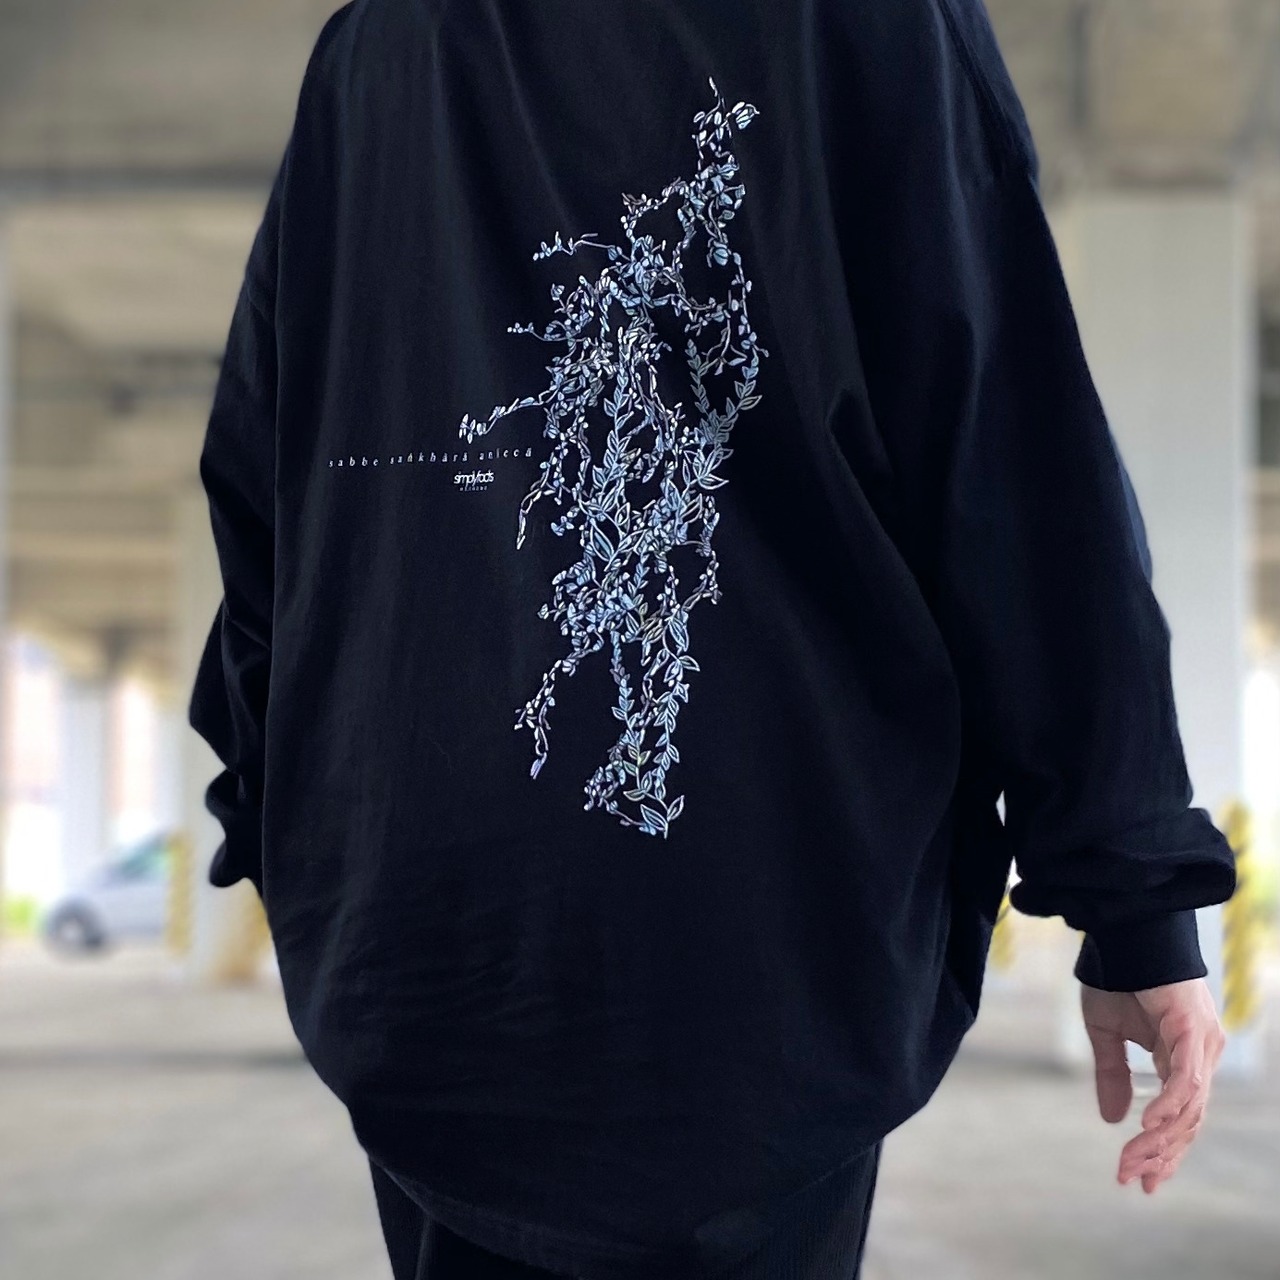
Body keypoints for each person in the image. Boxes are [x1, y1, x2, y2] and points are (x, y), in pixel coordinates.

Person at [188, 0, 1237, 1276]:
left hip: (431, 934)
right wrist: (1130, 897)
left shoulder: (373, 50)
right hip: (763, 939)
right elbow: (1013, 469)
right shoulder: (865, 24)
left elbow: (266, 486)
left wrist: (283, 818)